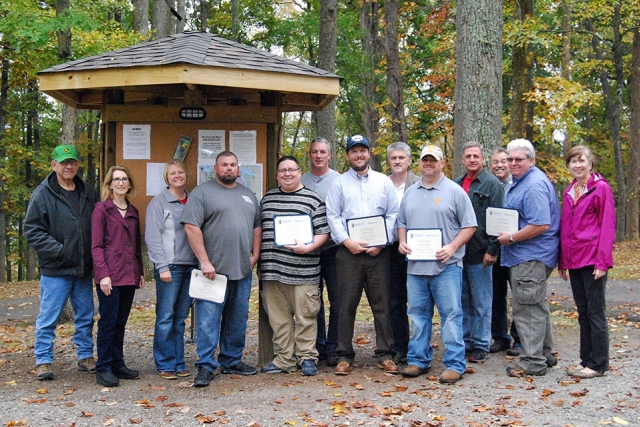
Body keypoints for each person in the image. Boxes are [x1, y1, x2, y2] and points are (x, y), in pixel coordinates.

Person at [397, 145, 477, 384]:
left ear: (442, 163)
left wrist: (452, 247)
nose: (429, 164)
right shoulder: (411, 192)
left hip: (447, 267)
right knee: (418, 315)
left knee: (451, 316)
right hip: (416, 268)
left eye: (433, 160)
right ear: (419, 163)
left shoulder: (454, 191)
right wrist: (402, 242)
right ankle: (418, 360)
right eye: (425, 160)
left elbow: (470, 225)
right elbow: (401, 222)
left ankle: (454, 363)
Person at [182, 151, 261, 387]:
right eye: (224, 165)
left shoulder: (248, 195)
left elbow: (257, 226)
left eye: (233, 165)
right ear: (215, 168)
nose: (229, 168)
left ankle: (231, 359)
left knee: (237, 318)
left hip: (242, 270)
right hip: (212, 272)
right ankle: (206, 365)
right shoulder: (202, 193)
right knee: (208, 320)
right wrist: (204, 261)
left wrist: (255, 254)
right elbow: (191, 227)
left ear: (238, 169)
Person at [325, 134, 399, 376]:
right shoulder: (338, 183)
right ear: (347, 155)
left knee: (382, 304)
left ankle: (385, 354)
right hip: (349, 253)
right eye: (353, 151)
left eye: (362, 151)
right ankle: (344, 355)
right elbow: (333, 216)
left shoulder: (383, 182)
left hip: (379, 253)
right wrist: (347, 241)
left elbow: (393, 214)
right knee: (345, 305)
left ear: (369, 153)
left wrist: (382, 240)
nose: (358, 155)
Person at [24, 144, 99, 381]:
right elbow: (32, 230)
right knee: (48, 317)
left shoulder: (87, 191)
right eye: (64, 162)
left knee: (85, 315)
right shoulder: (43, 194)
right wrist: (59, 250)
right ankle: (43, 360)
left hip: (83, 268)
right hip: (56, 269)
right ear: (53, 165)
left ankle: (85, 356)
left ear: (77, 165)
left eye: (72, 162)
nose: (69, 166)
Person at [259, 156, 331, 376]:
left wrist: (308, 248)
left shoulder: (313, 199)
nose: (287, 174)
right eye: (283, 170)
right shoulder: (267, 199)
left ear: (300, 172)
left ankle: (307, 357)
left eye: (291, 170)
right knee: (278, 319)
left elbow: (324, 233)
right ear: (278, 174)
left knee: (306, 317)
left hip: (303, 270)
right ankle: (284, 359)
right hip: (273, 271)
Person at [497, 139, 559, 377]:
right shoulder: (520, 181)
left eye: (518, 159)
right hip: (524, 255)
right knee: (536, 304)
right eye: (510, 159)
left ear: (531, 161)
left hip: (531, 256)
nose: (513, 163)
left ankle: (533, 362)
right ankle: (545, 352)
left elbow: (541, 224)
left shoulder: (533, 185)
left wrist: (512, 237)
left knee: (527, 309)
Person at [558, 146, 615, 379]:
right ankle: (586, 361)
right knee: (582, 312)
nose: (577, 165)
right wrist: (562, 260)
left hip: (592, 258)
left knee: (595, 312)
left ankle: (599, 363)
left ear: (590, 163)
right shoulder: (570, 190)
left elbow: (607, 226)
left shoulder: (600, 189)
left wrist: (602, 262)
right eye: (573, 161)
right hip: (575, 260)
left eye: (581, 161)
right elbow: (566, 228)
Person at [92, 165, 145, 387]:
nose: (121, 183)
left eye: (124, 179)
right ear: (109, 184)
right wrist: (103, 275)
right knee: (108, 321)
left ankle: (117, 363)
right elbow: (96, 246)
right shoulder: (101, 210)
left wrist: (140, 272)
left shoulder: (133, 212)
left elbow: (136, 246)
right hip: (110, 276)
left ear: (130, 183)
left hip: (129, 274)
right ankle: (103, 367)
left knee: (121, 322)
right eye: (116, 179)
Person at [145, 159, 198, 380]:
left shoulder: (193, 200)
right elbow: (152, 237)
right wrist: (162, 266)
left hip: (191, 266)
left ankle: (178, 361)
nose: (177, 176)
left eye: (181, 172)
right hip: (171, 267)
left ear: (186, 175)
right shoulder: (159, 203)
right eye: (172, 173)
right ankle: (165, 362)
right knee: (166, 316)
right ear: (167, 177)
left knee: (180, 317)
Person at [454, 142, 503, 363]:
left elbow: (497, 218)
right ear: (463, 160)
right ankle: (465, 342)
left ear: (483, 160)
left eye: (476, 156)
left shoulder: (493, 185)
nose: (472, 160)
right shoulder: (455, 185)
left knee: (482, 301)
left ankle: (481, 343)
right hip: (458, 254)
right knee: (463, 300)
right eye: (468, 156)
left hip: (480, 252)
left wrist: (493, 249)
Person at [301, 137, 341, 366]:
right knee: (312, 300)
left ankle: (334, 347)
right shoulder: (301, 179)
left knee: (337, 299)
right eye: (314, 151)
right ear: (310, 155)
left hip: (334, 249)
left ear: (330, 154)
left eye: (322, 152)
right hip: (307, 250)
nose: (318, 155)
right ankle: (318, 345)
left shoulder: (339, 180)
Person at [386, 141, 420, 364]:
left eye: (401, 157)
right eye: (393, 158)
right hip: (389, 249)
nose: (397, 161)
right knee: (394, 300)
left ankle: (419, 346)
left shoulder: (419, 183)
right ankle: (400, 347)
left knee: (419, 300)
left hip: (417, 249)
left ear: (409, 160)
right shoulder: (380, 184)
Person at [489, 148, 521, 356]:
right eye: (495, 162)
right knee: (496, 295)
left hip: (516, 248)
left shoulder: (518, 186)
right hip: (494, 250)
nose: (499, 165)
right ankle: (500, 337)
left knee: (519, 295)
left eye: (503, 161)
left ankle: (520, 339)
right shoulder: (491, 186)